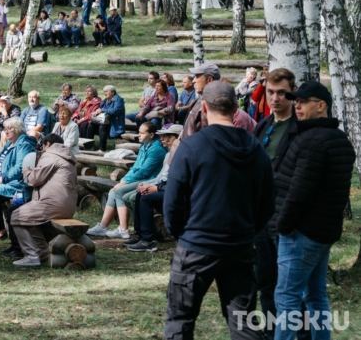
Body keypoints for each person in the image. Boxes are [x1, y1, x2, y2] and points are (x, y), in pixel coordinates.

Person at [163, 81, 274, 339]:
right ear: (236, 107)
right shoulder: (257, 149)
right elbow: (267, 204)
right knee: (244, 322)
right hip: (240, 248)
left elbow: (173, 201)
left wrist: (183, 234)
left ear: (203, 107)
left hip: (196, 247)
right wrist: (247, 231)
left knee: (180, 320)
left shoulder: (191, 146)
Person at [272, 81, 353, 340]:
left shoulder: (313, 141)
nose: (297, 106)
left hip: (301, 233)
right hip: (322, 232)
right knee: (315, 296)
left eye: (303, 102)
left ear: (321, 106)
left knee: (287, 297)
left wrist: (282, 225)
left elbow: (299, 192)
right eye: (295, 101)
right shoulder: (338, 139)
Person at [250, 68, 300, 338]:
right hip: (261, 216)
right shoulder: (264, 125)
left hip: (286, 216)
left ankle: (297, 333)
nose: (276, 97)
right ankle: (270, 332)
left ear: (293, 92)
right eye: (271, 92)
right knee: (265, 280)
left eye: (282, 92)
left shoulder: (299, 129)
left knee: (290, 285)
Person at [87, 122, 166, 239]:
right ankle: (103, 227)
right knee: (113, 191)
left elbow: (144, 171)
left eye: (142, 133)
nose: (138, 135)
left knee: (119, 191)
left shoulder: (156, 149)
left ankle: (123, 229)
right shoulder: (144, 146)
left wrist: (123, 183)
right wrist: (124, 180)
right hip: (140, 178)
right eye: (138, 132)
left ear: (151, 135)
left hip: (148, 180)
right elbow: (135, 167)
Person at [10, 134, 77, 266]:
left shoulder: (51, 155)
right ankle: (42, 251)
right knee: (29, 219)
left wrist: (27, 171)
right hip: (65, 204)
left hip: (53, 203)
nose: (41, 150)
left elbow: (34, 179)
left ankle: (31, 255)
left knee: (17, 216)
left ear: (47, 144)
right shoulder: (65, 157)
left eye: (42, 146)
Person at [124, 123, 183, 252]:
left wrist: (157, 188)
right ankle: (141, 234)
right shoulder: (169, 155)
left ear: (178, 138)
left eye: (167, 136)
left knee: (146, 198)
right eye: (162, 136)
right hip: (167, 188)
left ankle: (147, 241)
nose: (163, 139)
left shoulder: (183, 155)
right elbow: (163, 177)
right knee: (141, 194)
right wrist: (150, 185)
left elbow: (181, 183)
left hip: (180, 194)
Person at [181, 63, 257, 140]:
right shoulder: (200, 101)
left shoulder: (214, 106)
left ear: (209, 80)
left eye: (197, 76)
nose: (193, 81)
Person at [94, 84, 126, 152]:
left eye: (106, 91)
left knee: (102, 127)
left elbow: (115, 111)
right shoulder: (105, 100)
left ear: (112, 92)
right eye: (104, 92)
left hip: (115, 123)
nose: (105, 93)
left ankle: (102, 148)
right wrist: (97, 110)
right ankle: (89, 146)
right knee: (90, 126)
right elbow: (100, 107)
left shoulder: (119, 100)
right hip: (106, 121)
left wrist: (102, 110)